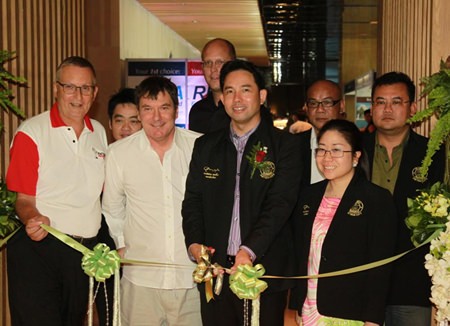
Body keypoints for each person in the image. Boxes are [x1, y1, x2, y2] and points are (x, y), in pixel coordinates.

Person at [182, 59, 302, 326]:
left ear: (261, 96)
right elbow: (193, 201)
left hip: (262, 272)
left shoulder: (286, 146)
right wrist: (194, 244)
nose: (237, 98)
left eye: (245, 90)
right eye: (229, 91)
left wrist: (248, 250)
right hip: (215, 272)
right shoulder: (206, 146)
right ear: (221, 98)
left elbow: (280, 204)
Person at [5, 56, 107, 326]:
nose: (78, 96)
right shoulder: (32, 133)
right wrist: (32, 218)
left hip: (83, 255)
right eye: (70, 87)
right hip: (40, 252)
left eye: (86, 88)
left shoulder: (99, 132)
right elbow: (23, 199)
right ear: (56, 89)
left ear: (95, 93)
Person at [102, 76, 202, 326]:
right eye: (148, 109)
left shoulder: (199, 147)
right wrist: (122, 243)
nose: (156, 117)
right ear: (139, 112)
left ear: (176, 110)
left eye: (164, 108)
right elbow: (112, 208)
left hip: (191, 278)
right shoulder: (119, 154)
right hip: (140, 281)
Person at [290, 119, 397, 325]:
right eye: (321, 150)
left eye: (337, 150)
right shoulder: (309, 196)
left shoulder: (377, 200)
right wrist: (297, 303)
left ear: (356, 156)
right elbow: (301, 254)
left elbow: (380, 268)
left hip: (350, 313)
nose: (327, 157)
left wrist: (373, 318)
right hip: (310, 309)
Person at [362, 71, 445, 326]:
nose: (387, 109)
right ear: (372, 107)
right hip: (359, 281)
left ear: (413, 108)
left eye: (396, 102)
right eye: (380, 102)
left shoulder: (434, 154)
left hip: (411, 283)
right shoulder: (352, 150)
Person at [96, 87, 141, 326]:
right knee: (111, 315)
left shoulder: (154, 162)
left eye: (134, 121)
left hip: (143, 254)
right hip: (108, 250)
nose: (126, 128)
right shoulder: (99, 160)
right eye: (119, 121)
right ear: (110, 124)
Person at [298, 79, 345, 185]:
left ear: (341, 106)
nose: (320, 110)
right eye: (313, 103)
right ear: (306, 108)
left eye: (327, 102)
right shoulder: (293, 145)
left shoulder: (358, 144)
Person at [188, 38, 236, 133]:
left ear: (233, 64)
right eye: (208, 63)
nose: (213, 69)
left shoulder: (244, 108)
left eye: (219, 62)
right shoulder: (197, 112)